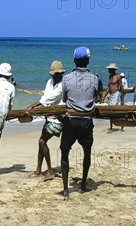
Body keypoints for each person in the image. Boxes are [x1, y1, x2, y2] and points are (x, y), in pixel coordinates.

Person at [59, 46, 99, 199]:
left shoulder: (67, 78)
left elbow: (64, 99)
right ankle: (82, 185)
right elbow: (96, 97)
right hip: (86, 122)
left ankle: (65, 189)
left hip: (71, 121)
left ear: (74, 60)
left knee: (64, 153)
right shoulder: (95, 78)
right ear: (88, 60)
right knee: (87, 153)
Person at [25, 60, 65, 181]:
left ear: (61, 74)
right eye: (55, 74)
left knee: (42, 141)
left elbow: (50, 98)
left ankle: (50, 171)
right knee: (41, 143)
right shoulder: (50, 82)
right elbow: (45, 97)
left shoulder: (63, 86)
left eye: (59, 74)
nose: (57, 76)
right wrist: (39, 106)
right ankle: (38, 170)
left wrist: (32, 105)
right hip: (49, 117)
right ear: (52, 74)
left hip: (58, 119)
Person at [103, 63, 122, 131]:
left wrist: (122, 97)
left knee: (114, 110)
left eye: (109, 69)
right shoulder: (110, 77)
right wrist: (104, 96)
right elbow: (109, 87)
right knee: (110, 111)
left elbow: (121, 87)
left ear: (113, 70)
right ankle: (111, 126)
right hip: (110, 95)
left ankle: (120, 124)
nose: (108, 70)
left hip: (116, 94)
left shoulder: (118, 77)